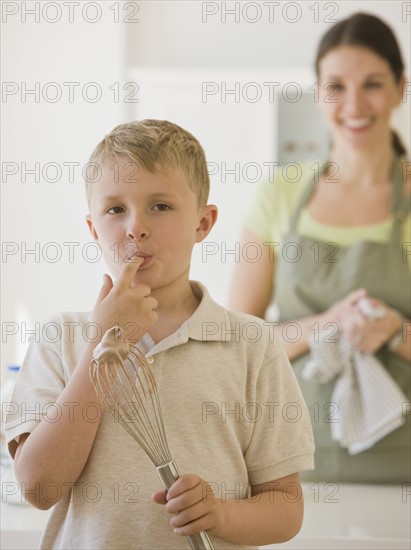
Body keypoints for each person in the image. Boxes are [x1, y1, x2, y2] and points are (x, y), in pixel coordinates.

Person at [5, 120, 314, 549]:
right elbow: (39, 487)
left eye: (161, 206)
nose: (136, 227)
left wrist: (221, 514)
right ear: (94, 229)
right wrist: (104, 341)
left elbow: (285, 507)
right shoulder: (61, 338)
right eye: (115, 209)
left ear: (203, 223)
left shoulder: (252, 345)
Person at [229, 12, 410, 483]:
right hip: (288, 470)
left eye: (372, 84)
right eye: (336, 86)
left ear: (400, 89)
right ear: (317, 92)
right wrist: (328, 324)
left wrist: (394, 331)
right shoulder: (280, 193)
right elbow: (236, 342)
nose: (354, 104)